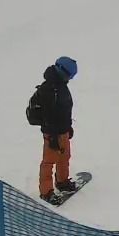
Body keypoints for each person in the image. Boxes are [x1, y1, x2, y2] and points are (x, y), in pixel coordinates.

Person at [31, 56, 79, 204]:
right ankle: (46, 191)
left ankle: (62, 181)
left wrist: (68, 127)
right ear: (61, 71)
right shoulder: (48, 89)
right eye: (69, 76)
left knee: (64, 157)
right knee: (49, 161)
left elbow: (64, 108)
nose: (69, 79)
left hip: (62, 130)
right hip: (52, 133)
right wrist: (52, 137)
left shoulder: (61, 85)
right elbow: (48, 115)